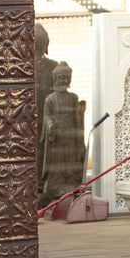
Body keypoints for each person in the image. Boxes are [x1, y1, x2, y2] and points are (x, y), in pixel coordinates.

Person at [41, 62, 86, 199]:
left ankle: (71, 189)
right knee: (58, 166)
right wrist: (50, 124)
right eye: (61, 77)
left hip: (71, 139)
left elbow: (77, 120)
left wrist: (81, 113)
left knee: (71, 166)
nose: (64, 80)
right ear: (54, 79)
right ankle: (56, 192)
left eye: (67, 77)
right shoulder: (50, 99)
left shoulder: (73, 98)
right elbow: (46, 117)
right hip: (57, 141)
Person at [34, 22, 57, 193]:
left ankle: (43, 183)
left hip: (47, 116)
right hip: (35, 116)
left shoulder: (54, 67)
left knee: (45, 150)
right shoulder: (22, 66)